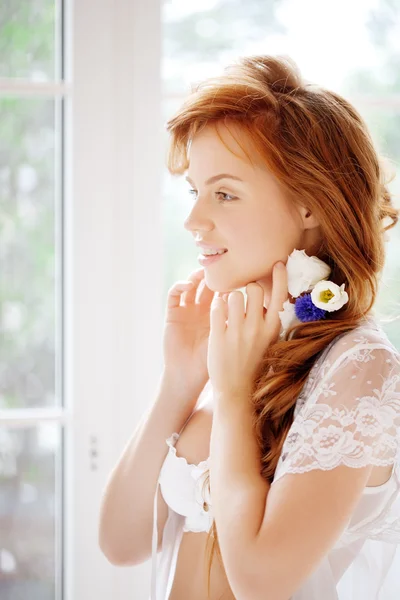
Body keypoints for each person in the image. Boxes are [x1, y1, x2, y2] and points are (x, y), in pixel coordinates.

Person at [98, 54, 400, 600]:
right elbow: (120, 543)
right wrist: (180, 381)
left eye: (225, 193)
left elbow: (260, 581)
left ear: (309, 204)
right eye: (194, 191)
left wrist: (234, 396)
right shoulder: (241, 346)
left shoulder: (359, 365)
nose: (193, 220)